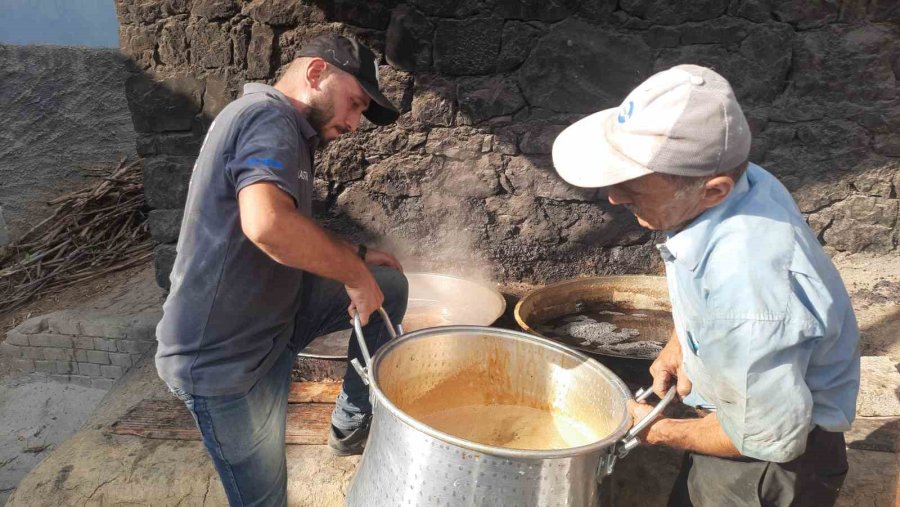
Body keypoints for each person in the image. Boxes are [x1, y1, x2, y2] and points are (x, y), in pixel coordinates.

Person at [552, 64, 860, 506]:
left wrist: (653, 430)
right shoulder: (740, 184)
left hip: (766, 467)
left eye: (633, 186)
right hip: (746, 416)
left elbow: (771, 439)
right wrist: (681, 344)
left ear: (713, 190)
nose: (614, 196)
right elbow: (699, 284)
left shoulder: (747, 294)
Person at [154, 34, 408, 506]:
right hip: (225, 360)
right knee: (266, 497)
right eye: (354, 104)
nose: (354, 123)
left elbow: (286, 223)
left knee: (388, 285)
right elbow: (268, 224)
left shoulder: (288, 129)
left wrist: (356, 253)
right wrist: (353, 274)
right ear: (315, 74)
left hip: (276, 320)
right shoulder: (267, 116)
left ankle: (350, 422)